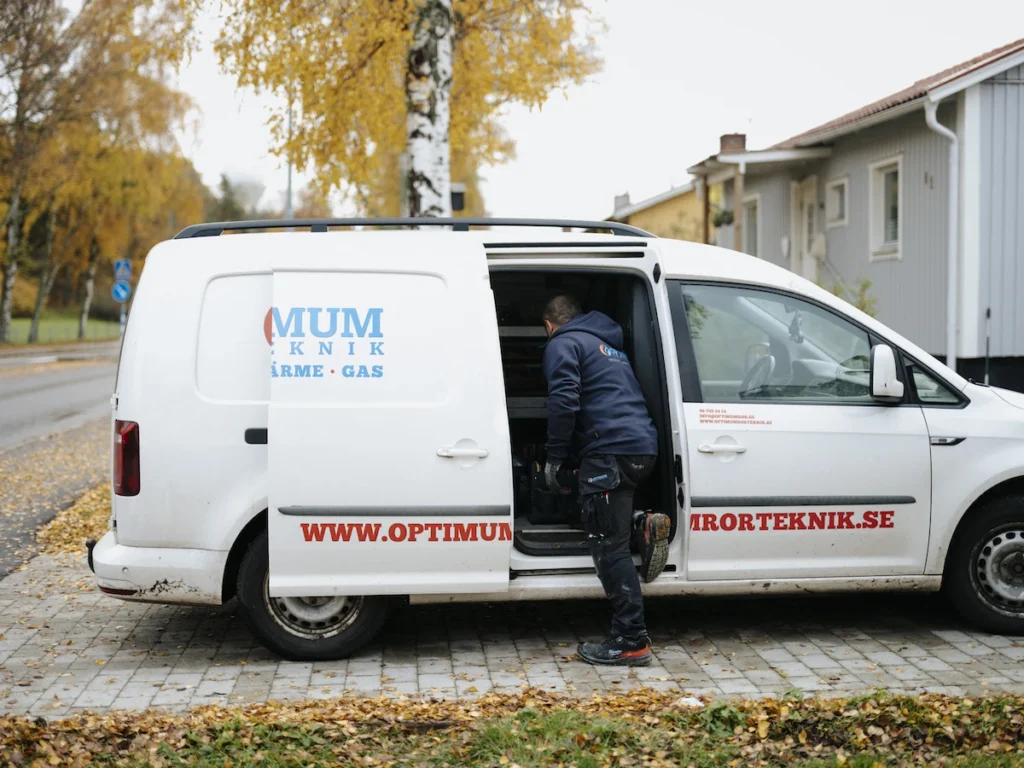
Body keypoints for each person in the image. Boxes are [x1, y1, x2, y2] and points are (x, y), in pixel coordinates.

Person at [541, 294, 670, 667]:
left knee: (605, 544)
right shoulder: (607, 345)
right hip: (641, 448)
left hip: (610, 452)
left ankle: (630, 641)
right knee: (604, 515)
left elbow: (564, 400)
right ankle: (640, 526)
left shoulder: (563, 343)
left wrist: (554, 457)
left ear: (549, 325)